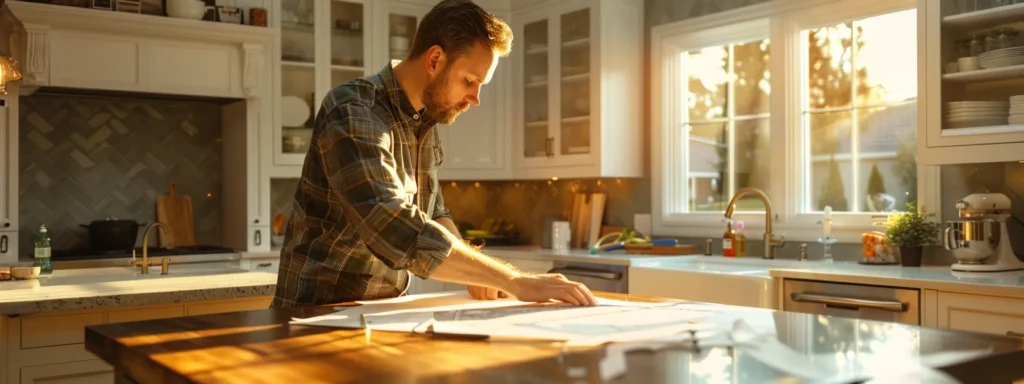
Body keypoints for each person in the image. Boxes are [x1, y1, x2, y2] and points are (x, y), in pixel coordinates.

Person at [272, 0, 597, 308]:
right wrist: (513, 280)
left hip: (380, 312)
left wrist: (477, 274)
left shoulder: (425, 122)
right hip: (314, 313)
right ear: (434, 60)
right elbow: (389, 223)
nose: (475, 98)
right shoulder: (354, 109)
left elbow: (435, 213)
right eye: (469, 80)